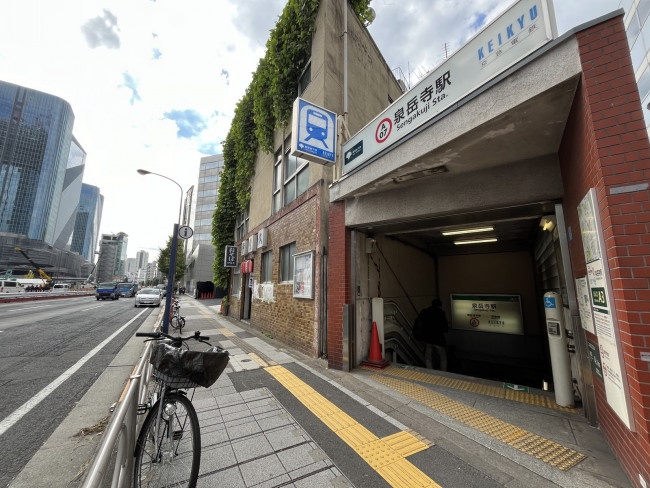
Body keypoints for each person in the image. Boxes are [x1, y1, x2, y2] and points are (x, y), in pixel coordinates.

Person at [414, 299, 449, 371]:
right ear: (440, 305)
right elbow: (445, 328)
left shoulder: (426, 311)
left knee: (428, 358)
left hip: (428, 339)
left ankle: (430, 373)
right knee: (443, 359)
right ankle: (443, 374)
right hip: (438, 340)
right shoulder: (441, 313)